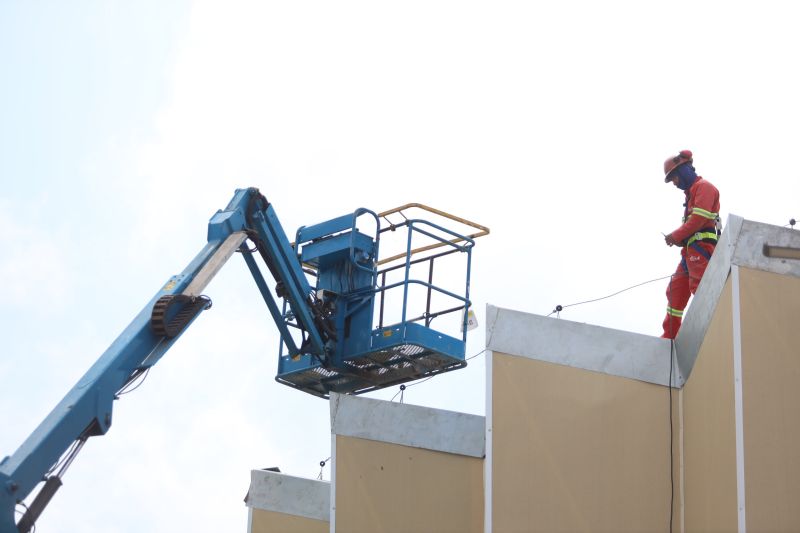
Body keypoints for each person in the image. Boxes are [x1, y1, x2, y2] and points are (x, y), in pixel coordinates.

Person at [661, 150, 721, 339]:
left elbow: (699, 219)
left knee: (701, 287)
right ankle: (669, 337)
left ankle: (714, 326)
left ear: (685, 169)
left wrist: (675, 235)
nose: (675, 183)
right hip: (690, 252)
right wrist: (680, 239)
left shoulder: (704, 187)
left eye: (675, 177)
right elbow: (694, 225)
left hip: (702, 250)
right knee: (675, 290)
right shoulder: (691, 196)